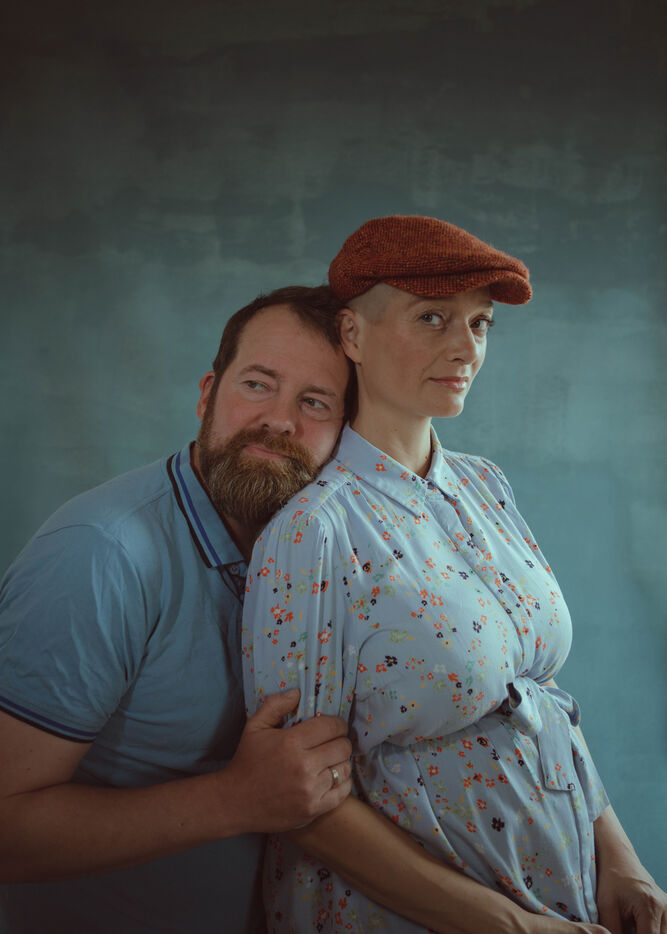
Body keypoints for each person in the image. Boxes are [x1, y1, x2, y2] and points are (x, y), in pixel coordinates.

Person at [242, 217, 667, 933]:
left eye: (479, 323)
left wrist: (621, 864)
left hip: (568, 902)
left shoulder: (484, 485)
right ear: (352, 334)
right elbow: (303, 804)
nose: (465, 346)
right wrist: (510, 926)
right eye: (431, 318)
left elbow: (542, 701)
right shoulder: (315, 530)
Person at [0, 286, 355, 933]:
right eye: (257, 384)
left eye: (314, 402)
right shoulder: (101, 556)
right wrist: (235, 800)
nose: (279, 420)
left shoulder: (316, 554)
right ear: (207, 395)